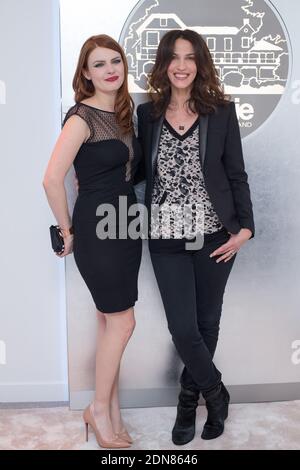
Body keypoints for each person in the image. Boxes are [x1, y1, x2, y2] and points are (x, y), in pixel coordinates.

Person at [137, 29, 255, 444]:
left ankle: (188, 403)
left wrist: (246, 228)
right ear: (164, 63)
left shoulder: (221, 111)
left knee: (207, 324)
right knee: (183, 328)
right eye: (174, 57)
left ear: (200, 63)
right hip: (166, 237)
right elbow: (138, 172)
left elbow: (236, 173)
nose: (182, 65)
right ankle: (216, 393)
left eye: (190, 57)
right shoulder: (147, 114)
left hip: (215, 236)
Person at [43, 34, 143, 449]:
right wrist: (67, 232)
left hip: (127, 224)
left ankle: (111, 412)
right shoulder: (81, 117)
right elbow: (51, 179)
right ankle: (98, 410)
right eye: (99, 64)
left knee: (109, 323)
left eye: (115, 61)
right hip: (98, 226)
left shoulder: (124, 113)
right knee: (123, 322)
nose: (110, 70)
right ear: (86, 73)